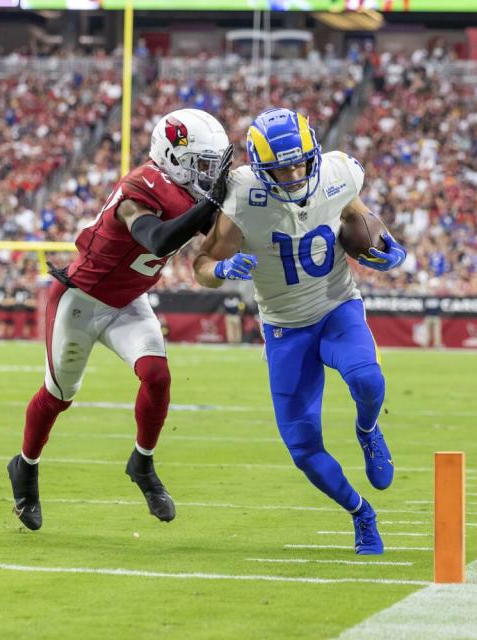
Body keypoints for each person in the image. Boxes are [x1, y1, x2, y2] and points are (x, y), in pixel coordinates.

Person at [193, 108, 406, 555]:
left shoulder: (337, 172)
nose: (292, 174)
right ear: (259, 166)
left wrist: (387, 245)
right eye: (280, 167)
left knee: (368, 379)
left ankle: (367, 430)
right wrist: (223, 267)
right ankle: (361, 513)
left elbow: (358, 217)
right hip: (286, 328)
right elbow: (201, 266)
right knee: (303, 448)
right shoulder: (242, 196)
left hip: (336, 308)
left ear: (314, 153)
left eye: (298, 162)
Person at [7, 109, 233, 530]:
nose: (206, 174)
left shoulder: (185, 190)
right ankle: (25, 467)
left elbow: (218, 233)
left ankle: (142, 463)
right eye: (201, 164)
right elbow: (158, 237)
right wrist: (212, 204)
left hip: (129, 300)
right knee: (58, 395)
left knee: (157, 376)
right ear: (173, 157)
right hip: (81, 302)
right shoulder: (140, 187)